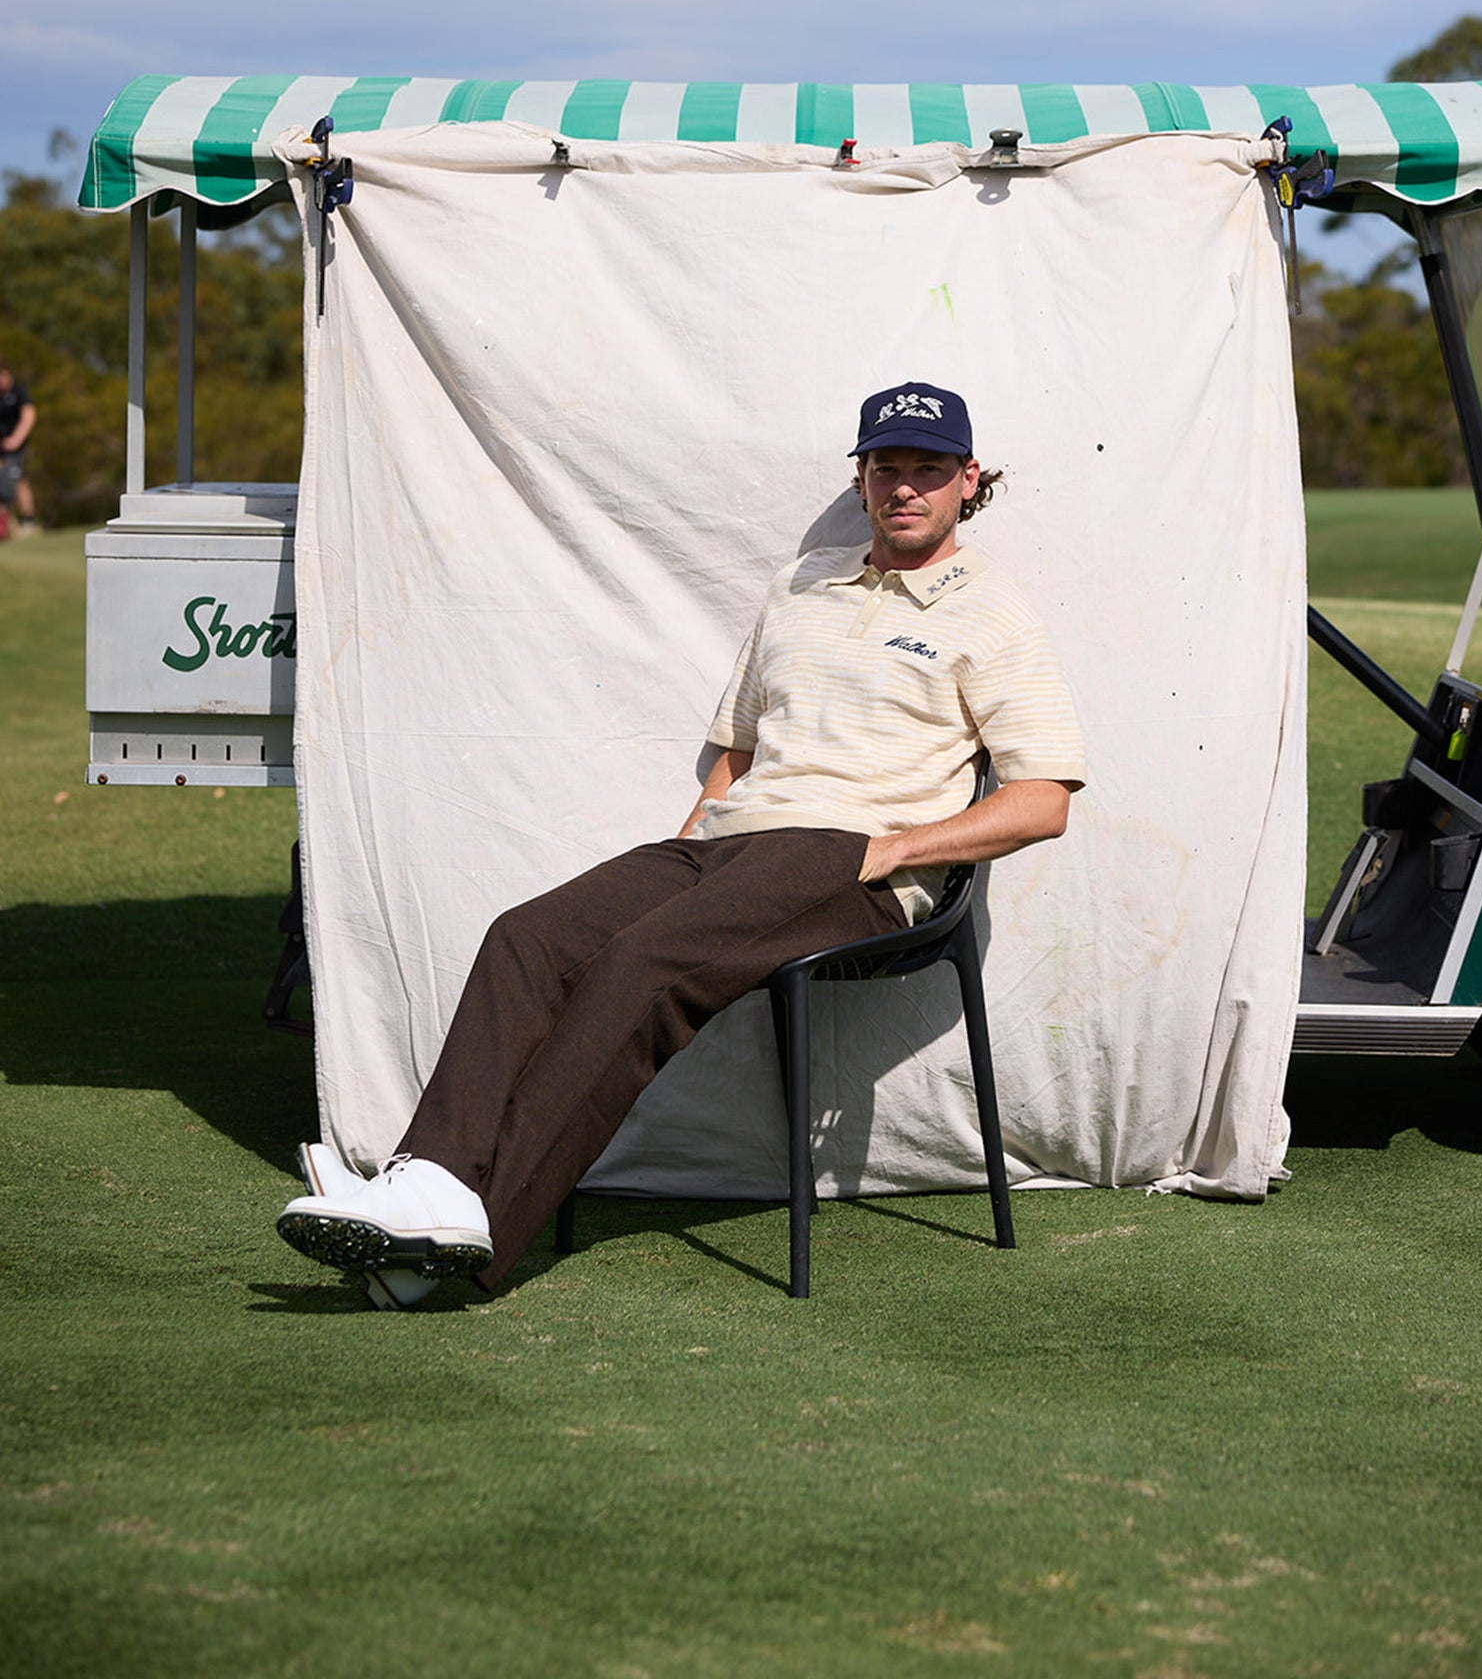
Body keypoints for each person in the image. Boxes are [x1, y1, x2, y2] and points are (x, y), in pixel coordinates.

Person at [277, 381, 1086, 1307]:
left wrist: (896, 850)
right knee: (527, 937)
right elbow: (736, 748)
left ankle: (468, 1237)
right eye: (886, 467)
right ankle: (427, 1181)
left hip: (852, 853)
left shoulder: (994, 609)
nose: (905, 487)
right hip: (733, 844)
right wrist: (696, 841)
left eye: (928, 470)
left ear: (966, 479)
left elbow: (1041, 800)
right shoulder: (802, 584)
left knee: (642, 966)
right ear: (861, 478)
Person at [0, 361, 38, 538]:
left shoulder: (18, 392)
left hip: (15, 447)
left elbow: (29, 415)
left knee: (17, 480)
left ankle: (29, 521)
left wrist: (16, 439)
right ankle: (7, 526)